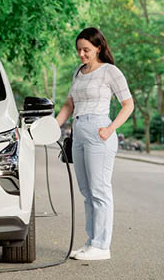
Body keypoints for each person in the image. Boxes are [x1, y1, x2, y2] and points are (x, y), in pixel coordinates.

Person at [56, 27, 134, 261]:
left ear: (98, 48)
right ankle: (91, 242)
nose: (81, 54)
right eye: (79, 49)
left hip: (99, 131)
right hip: (78, 131)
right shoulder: (78, 73)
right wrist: (52, 127)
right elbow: (69, 104)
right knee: (86, 191)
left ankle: (102, 245)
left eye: (86, 49)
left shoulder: (110, 72)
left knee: (100, 190)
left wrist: (110, 129)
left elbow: (128, 104)